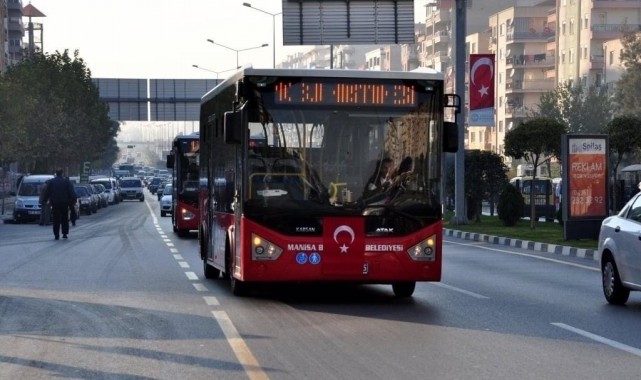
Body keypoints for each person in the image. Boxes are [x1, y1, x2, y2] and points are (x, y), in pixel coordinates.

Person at [43, 169, 76, 240]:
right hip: (64, 203)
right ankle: (64, 233)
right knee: (64, 218)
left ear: (56, 173)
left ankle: (56, 234)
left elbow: (47, 192)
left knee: (56, 219)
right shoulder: (66, 182)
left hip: (55, 203)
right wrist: (73, 200)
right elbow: (71, 192)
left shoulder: (51, 182)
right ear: (62, 173)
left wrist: (44, 200)